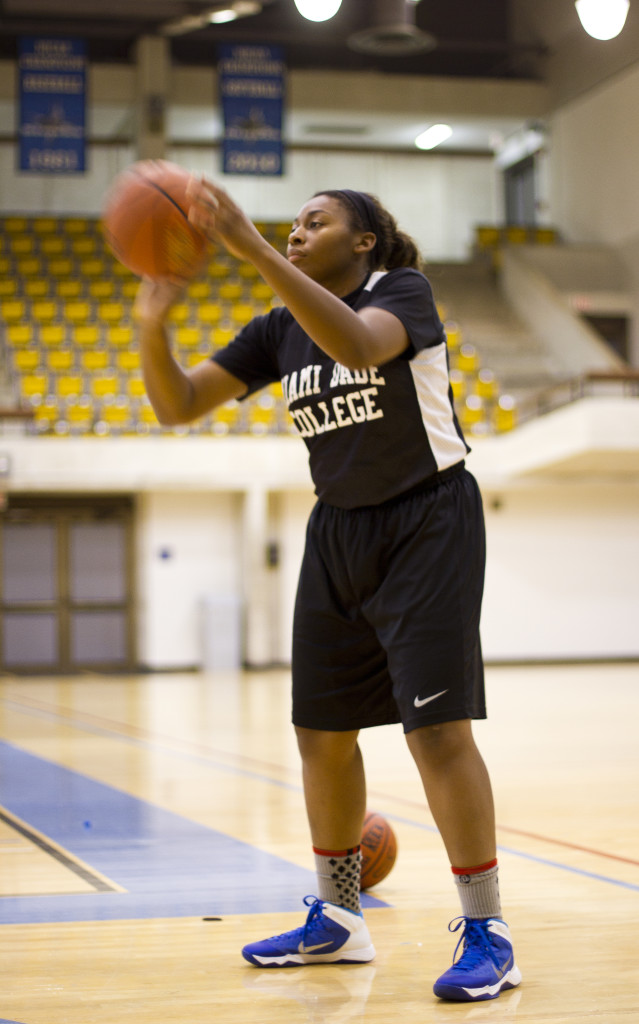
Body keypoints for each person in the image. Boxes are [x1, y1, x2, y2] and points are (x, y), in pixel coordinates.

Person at [135, 176, 522, 1003]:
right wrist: (151, 323)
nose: (297, 231)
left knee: (436, 731)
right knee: (321, 731)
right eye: (290, 224)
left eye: (316, 222)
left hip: (427, 520)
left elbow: (355, 345)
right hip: (339, 530)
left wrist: (249, 245)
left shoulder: (400, 293)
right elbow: (177, 404)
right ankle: (340, 919)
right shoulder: (278, 330)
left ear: (364, 241)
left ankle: (488, 930)